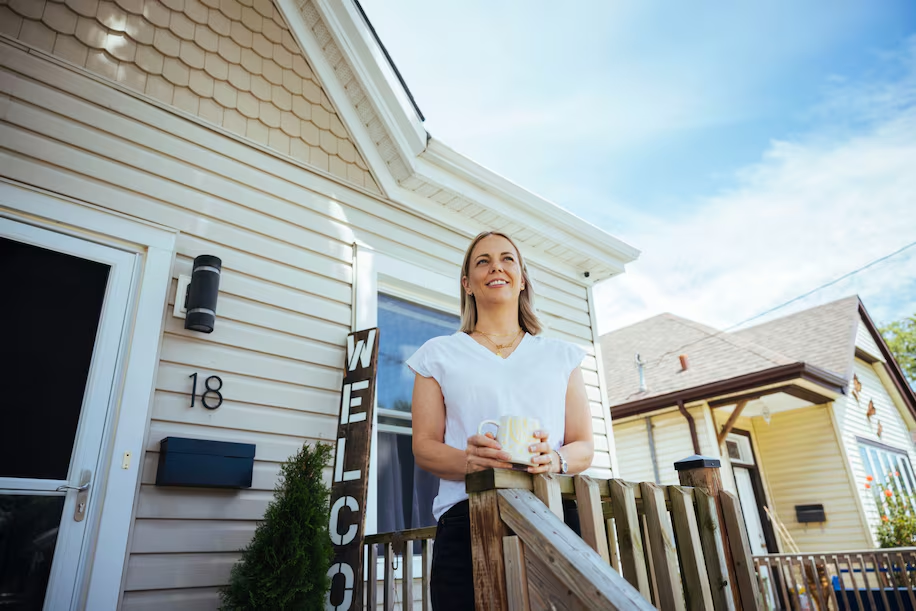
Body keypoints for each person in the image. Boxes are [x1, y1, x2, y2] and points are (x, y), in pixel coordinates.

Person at [406, 231, 594, 610]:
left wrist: (555, 459)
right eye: (483, 261)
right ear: (467, 284)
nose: (497, 266)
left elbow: (583, 445)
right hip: (466, 520)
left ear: (522, 279)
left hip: (551, 514)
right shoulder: (437, 355)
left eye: (508, 259)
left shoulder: (561, 356)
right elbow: (424, 447)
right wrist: (468, 461)